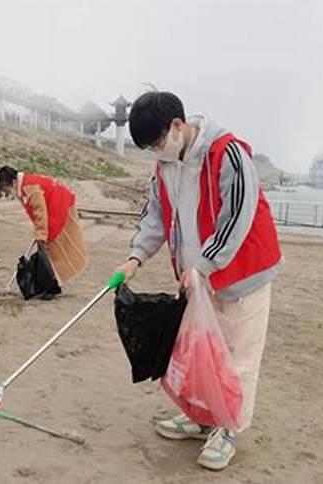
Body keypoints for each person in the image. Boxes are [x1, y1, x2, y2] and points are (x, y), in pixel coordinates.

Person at [116, 91, 283, 471]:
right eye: (150, 148)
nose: (157, 151)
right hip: (197, 278)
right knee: (202, 352)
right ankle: (202, 417)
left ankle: (227, 429)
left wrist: (206, 263)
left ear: (178, 126)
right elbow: (156, 215)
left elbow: (237, 215)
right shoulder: (166, 165)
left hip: (243, 274)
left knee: (238, 356)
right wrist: (135, 257)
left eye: (158, 142)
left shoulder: (227, 153)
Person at [0, 166, 88, 296]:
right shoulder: (24, 185)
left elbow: (40, 212)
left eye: (7, 189)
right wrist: (40, 232)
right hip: (56, 205)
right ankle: (53, 284)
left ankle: (53, 285)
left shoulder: (29, 187)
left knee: (55, 249)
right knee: (50, 249)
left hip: (60, 206)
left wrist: (41, 234)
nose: (9, 193)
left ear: (13, 182)